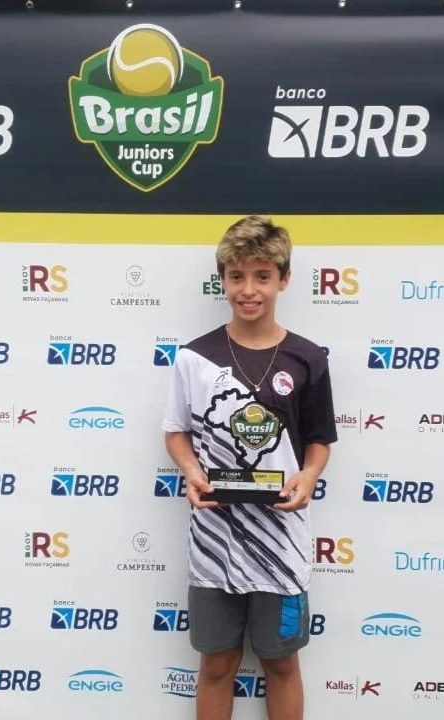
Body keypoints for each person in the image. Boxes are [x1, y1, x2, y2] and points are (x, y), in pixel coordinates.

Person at [162, 215, 337, 720]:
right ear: (222, 280)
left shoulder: (306, 358)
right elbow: (175, 432)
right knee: (217, 664)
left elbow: (320, 439)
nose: (248, 289)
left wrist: (308, 476)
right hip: (214, 540)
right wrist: (191, 470)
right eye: (236, 276)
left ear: (284, 279)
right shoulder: (195, 358)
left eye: (262, 276)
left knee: (281, 663)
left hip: (282, 541)